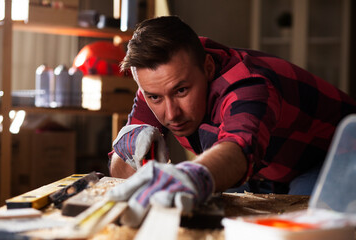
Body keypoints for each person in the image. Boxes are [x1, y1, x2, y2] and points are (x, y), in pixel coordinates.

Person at [106, 16, 356, 227]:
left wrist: (191, 175)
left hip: (336, 155)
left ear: (208, 68)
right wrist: (127, 150)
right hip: (267, 167)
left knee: (308, 224)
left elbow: (238, 150)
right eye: (154, 97)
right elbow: (120, 172)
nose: (171, 114)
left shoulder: (248, 84)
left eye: (182, 91)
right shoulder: (160, 83)